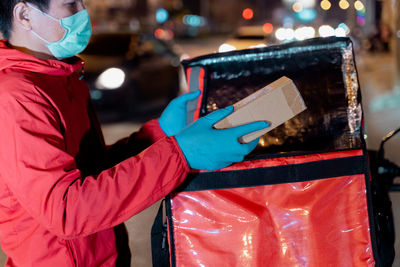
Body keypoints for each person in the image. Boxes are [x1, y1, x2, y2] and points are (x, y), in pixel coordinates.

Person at [0, 0, 269, 266]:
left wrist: (158, 134)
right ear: (24, 14)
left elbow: (94, 173)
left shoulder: (58, 78)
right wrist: (180, 154)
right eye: (71, 4)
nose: (83, 13)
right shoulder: (17, 96)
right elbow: (68, 211)